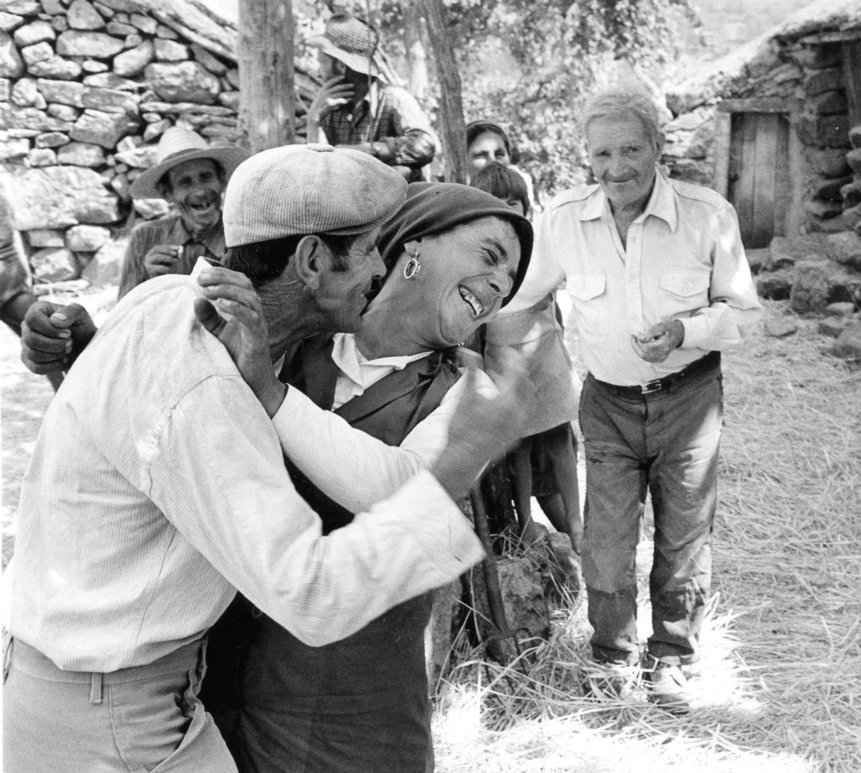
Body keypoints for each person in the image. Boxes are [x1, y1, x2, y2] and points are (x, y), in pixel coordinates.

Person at [3, 143, 525, 772]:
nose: (378, 266)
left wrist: (78, 357)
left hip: (135, 694)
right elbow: (311, 592)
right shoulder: (219, 379)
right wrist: (456, 465)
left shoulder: (165, 302)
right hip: (114, 714)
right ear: (312, 260)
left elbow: (137, 424)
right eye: (369, 250)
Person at [211, 182, 533, 773]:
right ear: (413, 245)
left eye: (509, 282)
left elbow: (401, 489)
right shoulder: (296, 338)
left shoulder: (469, 393)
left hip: (352, 709)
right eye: (490, 257)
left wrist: (272, 394)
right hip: (229, 682)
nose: (500, 287)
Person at [498, 87, 763, 713]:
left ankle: (671, 657)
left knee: (683, 537)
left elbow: (746, 315)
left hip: (689, 400)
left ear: (657, 147)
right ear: (588, 157)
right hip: (608, 405)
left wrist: (685, 332)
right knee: (608, 541)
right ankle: (611, 656)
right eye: (602, 154)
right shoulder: (564, 220)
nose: (616, 168)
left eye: (630, 150)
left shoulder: (707, 214)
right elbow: (518, 299)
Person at [473, 161, 584, 551]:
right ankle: (524, 521)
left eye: (512, 203)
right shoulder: (478, 256)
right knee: (518, 444)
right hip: (505, 359)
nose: (506, 212)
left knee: (559, 440)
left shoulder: (537, 250)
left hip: (545, 355)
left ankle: (576, 523)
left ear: (525, 206)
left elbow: (556, 293)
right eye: (495, 204)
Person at [119, 126, 248, 298]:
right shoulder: (144, 238)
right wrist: (150, 281)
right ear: (167, 193)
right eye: (185, 182)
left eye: (206, 177)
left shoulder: (243, 236)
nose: (200, 191)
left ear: (222, 181)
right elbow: (124, 310)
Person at [306, 13, 437, 182]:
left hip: (399, 197)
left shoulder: (394, 99)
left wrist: (366, 151)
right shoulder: (328, 107)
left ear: (340, 65)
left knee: (402, 172)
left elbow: (424, 147)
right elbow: (318, 171)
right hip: (349, 196)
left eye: (321, 63)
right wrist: (314, 120)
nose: (319, 73)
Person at [466, 120, 537, 208]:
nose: (493, 161)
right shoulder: (451, 204)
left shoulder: (518, 199)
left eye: (499, 154)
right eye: (481, 155)